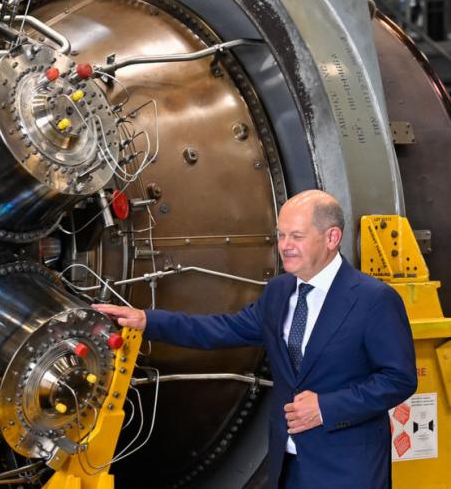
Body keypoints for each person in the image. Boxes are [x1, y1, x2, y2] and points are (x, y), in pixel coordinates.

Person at [93, 190, 417, 489]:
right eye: (280, 235)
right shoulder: (279, 291)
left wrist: (326, 407)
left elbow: (398, 379)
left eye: (296, 236)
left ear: (332, 237)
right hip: (288, 464)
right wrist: (148, 321)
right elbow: (223, 329)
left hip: (348, 469)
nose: (285, 245)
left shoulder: (373, 299)